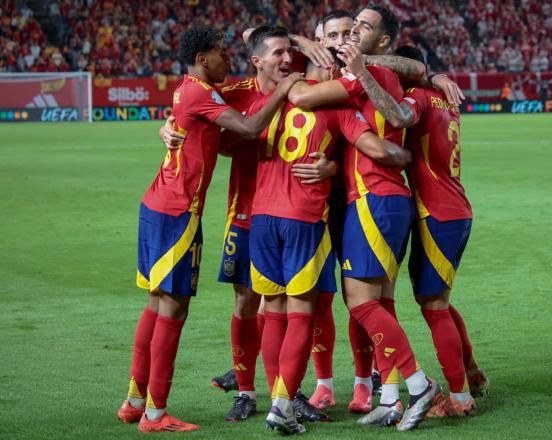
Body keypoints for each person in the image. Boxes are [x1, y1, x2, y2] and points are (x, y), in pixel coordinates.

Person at [116, 26, 301, 433]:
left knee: (156, 302)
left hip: (159, 205)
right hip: (178, 211)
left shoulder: (189, 88)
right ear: (203, 59)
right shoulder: (203, 90)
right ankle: (155, 413)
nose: (227, 59)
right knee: (173, 308)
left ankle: (134, 401)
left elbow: (190, 120)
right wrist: (283, 91)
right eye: (220, 53)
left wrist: (167, 125)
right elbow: (250, 129)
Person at [287, 4, 442, 431]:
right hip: (378, 198)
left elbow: (300, 96)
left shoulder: (364, 77)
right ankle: (390, 397)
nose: (350, 34)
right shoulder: (370, 74)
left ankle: (418, 383)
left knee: (360, 301)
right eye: (347, 28)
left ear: (380, 42)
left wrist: (309, 67)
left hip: (374, 198)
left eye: (359, 28)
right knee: (378, 301)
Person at [249, 49, 412, 435]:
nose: (334, 69)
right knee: (303, 312)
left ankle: (279, 396)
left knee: (272, 311)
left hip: (260, 219)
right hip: (303, 220)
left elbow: (232, 136)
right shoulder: (338, 109)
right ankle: (282, 405)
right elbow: (374, 147)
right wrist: (403, 155)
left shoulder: (264, 102)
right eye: (327, 65)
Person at [340, 43, 489, 418]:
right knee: (438, 300)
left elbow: (400, 116)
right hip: (454, 208)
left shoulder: (419, 98)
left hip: (436, 211)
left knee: (434, 308)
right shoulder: (444, 99)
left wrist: (364, 74)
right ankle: (471, 372)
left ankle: (457, 397)